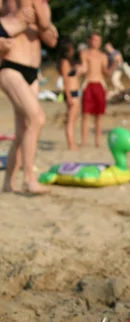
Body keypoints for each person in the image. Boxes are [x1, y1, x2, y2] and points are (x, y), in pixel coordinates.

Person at [0, 0, 58, 193]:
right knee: (37, 118)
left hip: (32, 72)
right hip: (10, 66)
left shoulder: (43, 5)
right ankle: (28, 179)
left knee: (23, 131)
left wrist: (43, 24)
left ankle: (8, 184)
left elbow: (52, 41)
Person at [80, 32, 115, 147]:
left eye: (98, 40)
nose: (96, 42)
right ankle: (84, 141)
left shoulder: (103, 56)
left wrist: (115, 63)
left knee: (99, 115)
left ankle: (97, 141)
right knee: (86, 114)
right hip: (88, 84)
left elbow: (107, 72)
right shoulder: (84, 53)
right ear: (89, 41)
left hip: (100, 84)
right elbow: (84, 69)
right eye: (94, 40)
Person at [58, 38, 85, 150]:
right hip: (71, 93)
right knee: (70, 119)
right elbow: (65, 80)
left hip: (76, 92)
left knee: (73, 119)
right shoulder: (64, 62)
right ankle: (71, 143)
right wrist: (68, 96)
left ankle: (72, 142)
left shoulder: (70, 62)